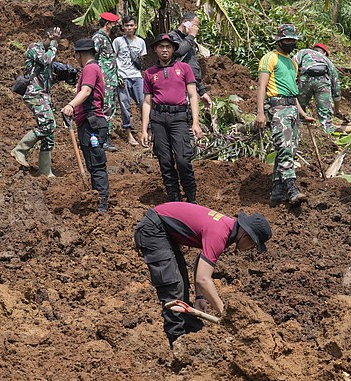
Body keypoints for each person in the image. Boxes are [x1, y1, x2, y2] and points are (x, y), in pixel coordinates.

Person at [134, 202, 272, 350]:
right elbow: (203, 279)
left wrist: (200, 298)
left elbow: (201, 263)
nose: (250, 249)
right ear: (246, 235)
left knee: (182, 285)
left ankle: (193, 336)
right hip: (154, 229)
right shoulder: (220, 233)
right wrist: (225, 313)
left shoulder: (226, 228)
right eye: (253, 245)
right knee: (173, 289)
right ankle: (178, 346)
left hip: (165, 232)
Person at [256, 24, 316, 207]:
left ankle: (277, 191)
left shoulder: (292, 64)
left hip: (291, 108)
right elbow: (261, 86)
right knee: (284, 149)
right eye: (287, 40)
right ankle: (291, 189)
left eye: (293, 40)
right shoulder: (269, 59)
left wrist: (303, 114)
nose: (290, 43)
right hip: (278, 108)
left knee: (290, 150)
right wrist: (259, 112)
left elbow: (293, 93)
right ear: (279, 41)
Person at [140, 34, 203, 203]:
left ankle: (191, 197)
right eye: (161, 47)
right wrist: (144, 129)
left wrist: (195, 122)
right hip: (159, 118)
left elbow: (193, 95)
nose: (165, 50)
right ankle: (174, 197)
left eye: (168, 46)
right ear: (155, 50)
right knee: (165, 161)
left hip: (179, 117)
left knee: (183, 159)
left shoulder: (184, 68)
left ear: (174, 49)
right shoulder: (149, 73)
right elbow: (147, 102)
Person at [61, 38, 110, 213]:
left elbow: (86, 91)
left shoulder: (90, 68)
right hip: (89, 122)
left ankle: (102, 204)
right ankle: (98, 199)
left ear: (79, 54)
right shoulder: (93, 68)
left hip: (92, 123)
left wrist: (70, 105)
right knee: (92, 163)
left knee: (96, 164)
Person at [11, 26, 62, 176]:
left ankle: (46, 171)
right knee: (48, 125)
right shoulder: (34, 48)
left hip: (44, 95)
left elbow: (47, 76)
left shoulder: (48, 52)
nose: (56, 43)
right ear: (47, 35)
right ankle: (19, 150)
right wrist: (54, 44)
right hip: (34, 94)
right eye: (54, 38)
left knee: (49, 133)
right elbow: (45, 60)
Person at [113, 15, 147, 147]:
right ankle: (129, 133)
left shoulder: (141, 42)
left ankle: (146, 130)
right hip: (123, 76)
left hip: (137, 76)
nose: (129, 28)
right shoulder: (118, 41)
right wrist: (117, 76)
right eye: (126, 26)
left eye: (131, 25)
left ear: (136, 26)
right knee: (124, 104)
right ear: (122, 27)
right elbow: (114, 59)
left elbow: (142, 61)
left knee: (143, 103)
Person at [294, 43, 341, 134]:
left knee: (299, 109)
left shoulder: (304, 52)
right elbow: (336, 88)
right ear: (324, 53)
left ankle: (300, 133)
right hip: (323, 83)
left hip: (305, 80)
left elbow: (292, 64)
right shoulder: (327, 61)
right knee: (325, 115)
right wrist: (336, 109)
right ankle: (328, 136)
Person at [171, 13, 213, 112]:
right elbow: (179, 51)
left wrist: (202, 91)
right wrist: (191, 35)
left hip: (191, 85)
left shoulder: (189, 42)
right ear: (186, 22)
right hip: (178, 85)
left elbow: (193, 68)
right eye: (195, 26)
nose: (196, 29)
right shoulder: (172, 37)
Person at [92, 12, 120, 151]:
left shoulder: (106, 39)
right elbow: (92, 58)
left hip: (110, 80)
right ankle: (102, 138)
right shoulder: (98, 38)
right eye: (114, 24)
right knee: (105, 108)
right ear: (108, 24)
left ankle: (104, 137)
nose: (116, 27)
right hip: (104, 81)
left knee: (109, 107)